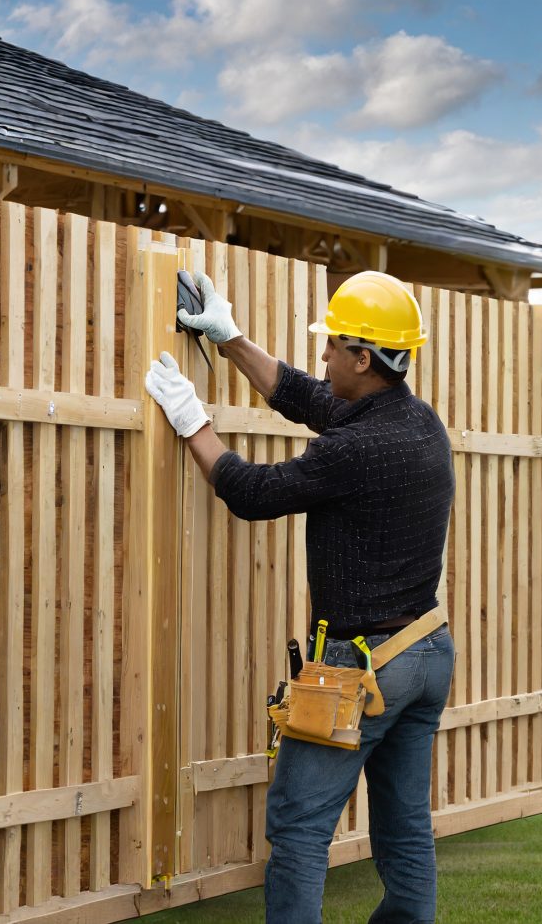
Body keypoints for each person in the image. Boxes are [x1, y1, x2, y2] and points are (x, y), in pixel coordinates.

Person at [145, 269, 455, 924]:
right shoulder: (416, 421)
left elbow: (250, 492)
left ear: (363, 358)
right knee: (402, 821)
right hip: (426, 650)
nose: (322, 354)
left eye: (332, 344)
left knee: (298, 824)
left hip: (366, 666)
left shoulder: (356, 449)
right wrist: (229, 339)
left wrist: (191, 421)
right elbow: (310, 396)